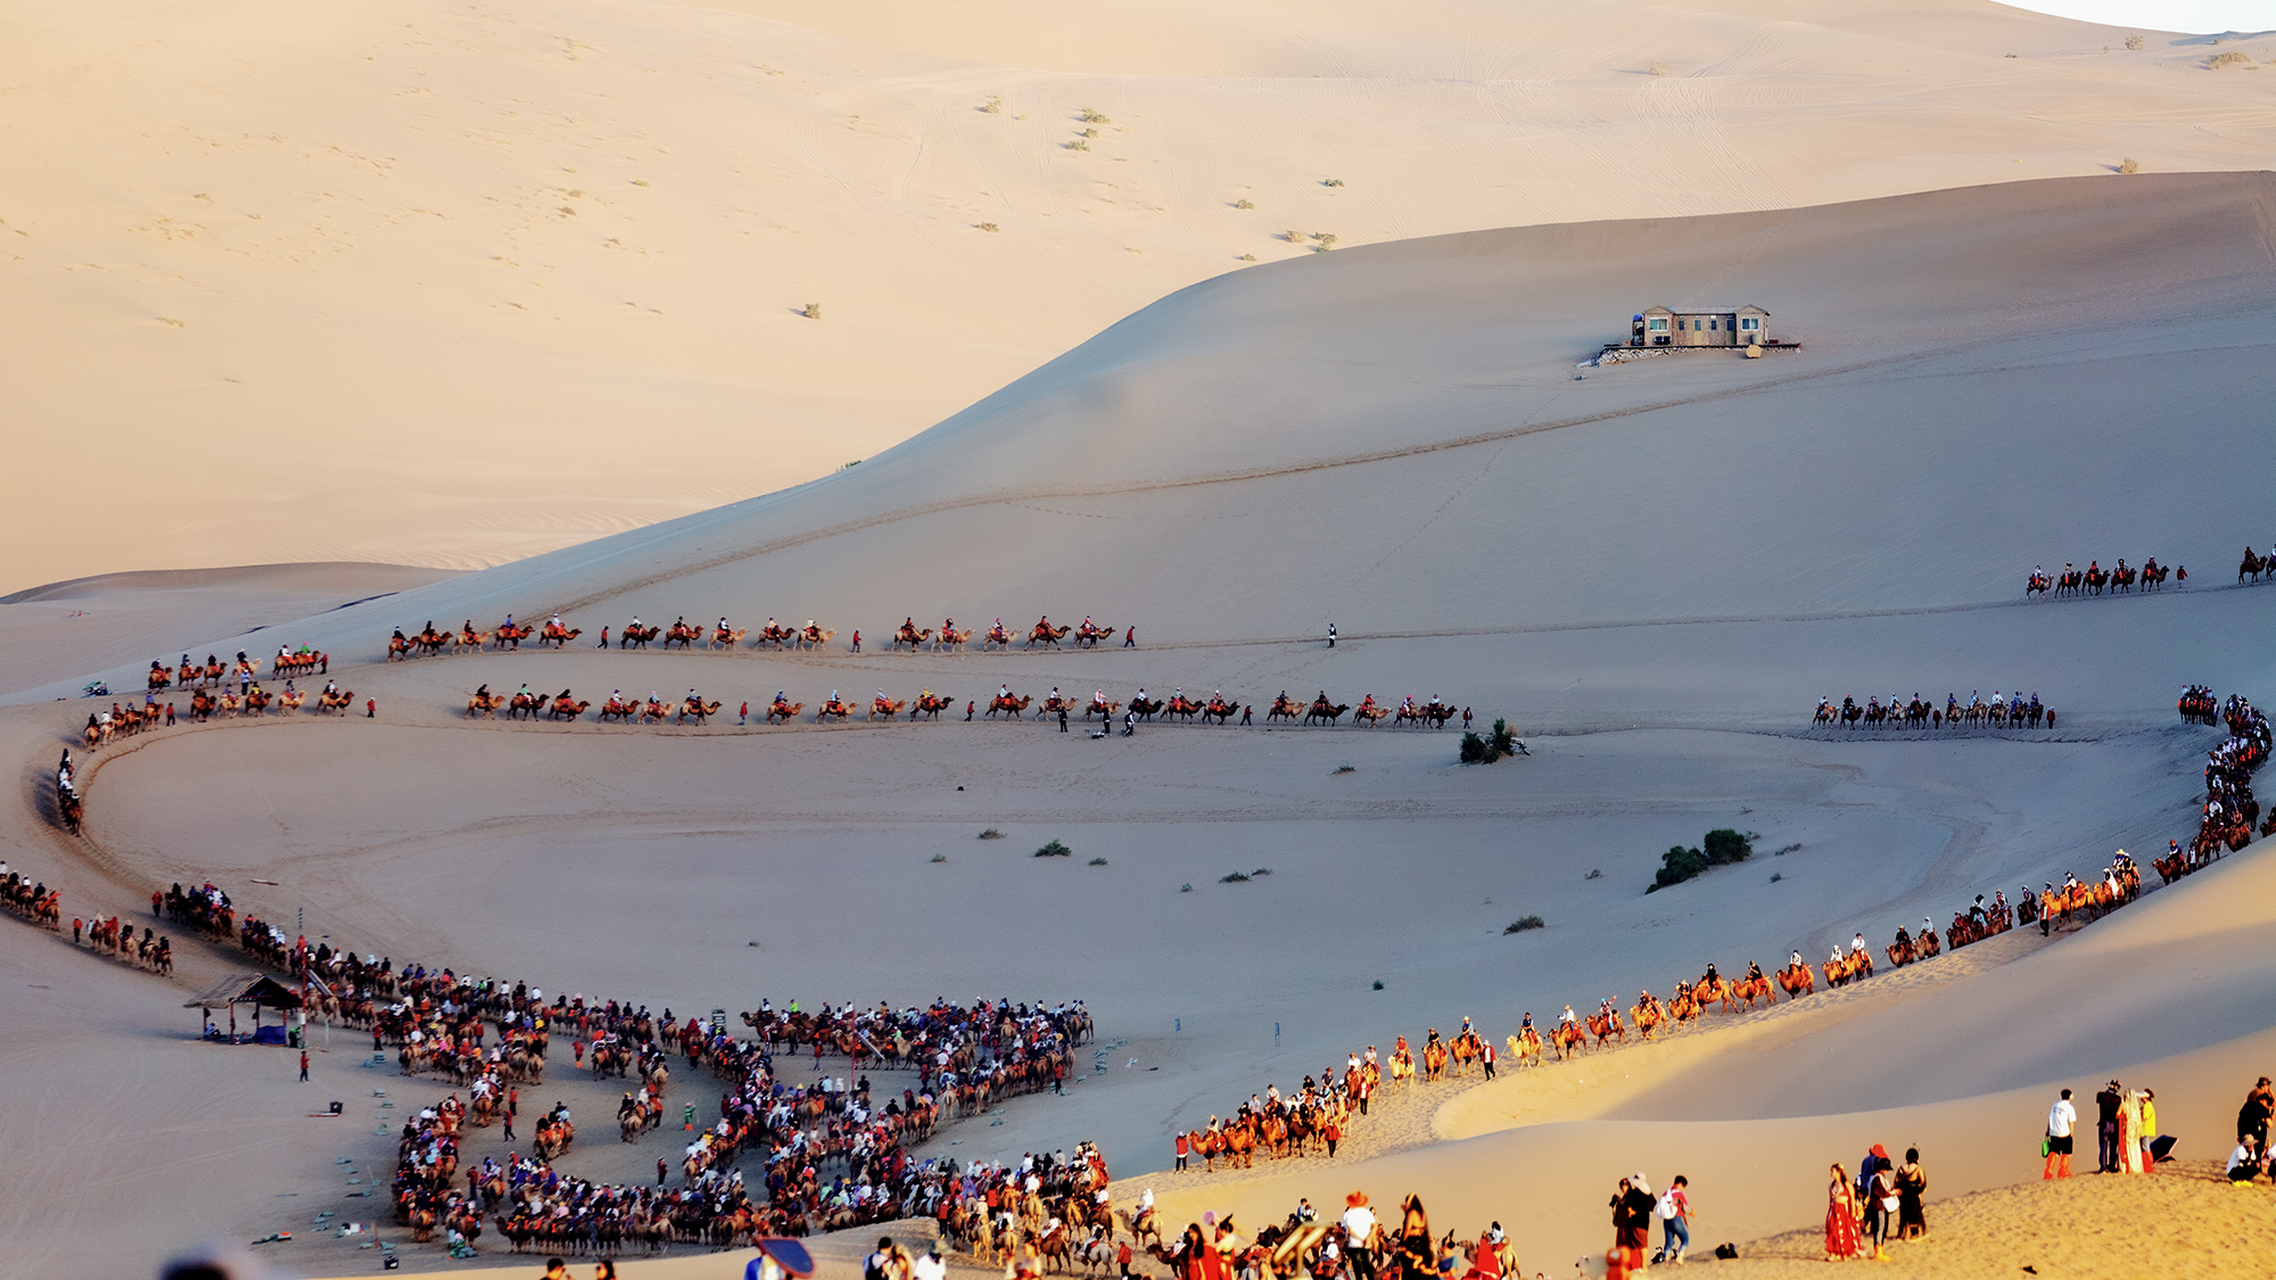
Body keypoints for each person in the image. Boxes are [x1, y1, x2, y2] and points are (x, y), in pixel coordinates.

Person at [1823, 1163, 1861, 1260]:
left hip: (1844, 1209)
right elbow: (1830, 1199)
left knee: (1844, 1230)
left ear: (1838, 1171)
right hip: (1834, 1209)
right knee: (1832, 1230)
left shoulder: (1846, 1184)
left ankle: (1844, 1252)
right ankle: (1833, 1253)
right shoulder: (1831, 1185)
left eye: (1833, 1171)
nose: (1831, 1173)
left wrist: (1853, 1211)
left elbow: (1852, 1197)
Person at [1609, 1176, 1653, 1256]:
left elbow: (1633, 1208)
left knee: (1631, 1247)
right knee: (1621, 1248)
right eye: (1622, 1184)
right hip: (1622, 1227)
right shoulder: (1623, 1198)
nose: (1623, 1186)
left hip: (1630, 1226)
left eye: (1626, 1184)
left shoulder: (1632, 1196)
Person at [1341, 1193, 1377, 1280]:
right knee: (1367, 1263)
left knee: (1357, 1266)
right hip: (1366, 1243)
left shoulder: (1349, 1214)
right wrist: (1367, 1238)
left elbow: (1349, 1230)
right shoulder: (1368, 1213)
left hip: (1355, 1243)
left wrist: (1360, 1239)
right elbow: (1374, 1226)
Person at [1656, 1175, 1690, 1265]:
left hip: (1666, 1220)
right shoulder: (1679, 1194)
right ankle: (1680, 1256)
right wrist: (1692, 1212)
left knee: (1669, 1242)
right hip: (1677, 1217)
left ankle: (1666, 1261)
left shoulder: (1666, 1193)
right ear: (1682, 1184)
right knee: (1685, 1239)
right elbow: (1685, 1208)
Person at [2045, 1088, 2077, 1179]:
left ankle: (2049, 1171)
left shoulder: (2055, 1105)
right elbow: (2071, 1122)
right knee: (2065, 1153)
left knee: (2053, 1152)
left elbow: (2050, 1118)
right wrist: (2071, 1134)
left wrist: (2048, 1130)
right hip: (2064, 1132)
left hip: (2053, 1132)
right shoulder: (2069, 1108)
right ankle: (2063, 1171)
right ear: (2070, 1096)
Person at [2096, 1079, 2124, 1172]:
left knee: (2103, 1146)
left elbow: (2099, 1101)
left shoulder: (2101, 1095)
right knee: (2113, 1146)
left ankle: (2103, 1166)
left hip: (2104, 1123)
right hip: (2114, 1124)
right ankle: (2111, 1165)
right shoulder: (2118, 1099)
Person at [2241, 1077, 2273, 1151]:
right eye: (2268, 1085)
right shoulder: (2262, 1094)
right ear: (2264, 1086)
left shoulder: (2251, 1094)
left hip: (2248, 1122)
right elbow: (2273, 1103)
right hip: (2259, 1123)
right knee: (2259, 1145)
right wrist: (2270, 1092)